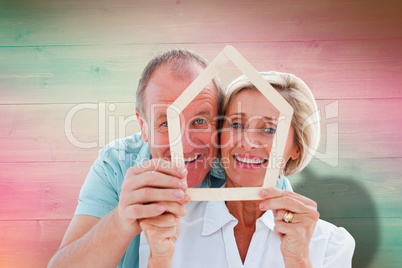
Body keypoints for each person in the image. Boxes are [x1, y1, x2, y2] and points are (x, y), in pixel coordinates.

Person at [139, 71, 355, 267]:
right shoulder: (169, 226)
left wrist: (298, 260)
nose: (247, 142)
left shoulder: (330, 245)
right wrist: (159, 260)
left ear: (296, 147)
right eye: (236, 125)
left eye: (269, 129)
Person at [48, 48, 226, 268]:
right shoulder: (115, 164)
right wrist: (122, 220)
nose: (186, 146)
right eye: (166, 124)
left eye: (200, 121)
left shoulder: (247, 168)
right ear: (143, 126)